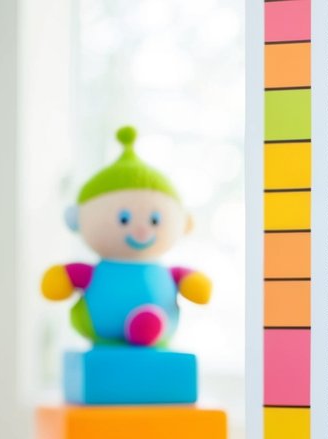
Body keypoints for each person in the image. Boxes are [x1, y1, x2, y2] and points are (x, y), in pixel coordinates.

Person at [41, 126, 211, 347]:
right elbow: (58, 283)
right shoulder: (95, 272)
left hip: (156, 338)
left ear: (184, 223)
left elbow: (198, 288)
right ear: (77, 219)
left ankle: (148, 328)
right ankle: (146, 327)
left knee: (152, 327)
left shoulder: (168, 273)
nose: (141, 231)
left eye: (154, 221)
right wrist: (63, 276)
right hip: (101, 338)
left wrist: (191, 282)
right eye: (124, 219)